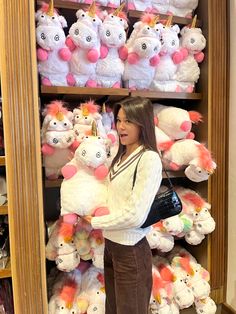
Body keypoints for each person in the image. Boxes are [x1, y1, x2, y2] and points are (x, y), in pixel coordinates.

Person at [90, 96, 162, 314]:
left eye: (128, 121)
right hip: (112, 246)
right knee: (113, 309)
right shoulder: (121, 155)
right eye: (119, 120)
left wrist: (95, 221)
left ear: (142, 123)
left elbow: (135, 215)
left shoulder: (148, 159)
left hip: (131, 250)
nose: (121, 126)